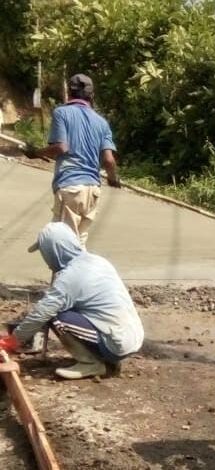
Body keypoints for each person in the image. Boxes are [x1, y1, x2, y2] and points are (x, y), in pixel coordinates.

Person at [0, 222, 144, 379]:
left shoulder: (70, 277)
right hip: (131, 335)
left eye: (45, 252)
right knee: (63, 309)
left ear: (54, 251)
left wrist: (14, 340)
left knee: (54, 315)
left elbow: (42, 312)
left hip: (116, 343)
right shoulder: (97, 261)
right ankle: (107, 359)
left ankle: (91, 364)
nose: (46, 259)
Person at [23, 73, 120, 248]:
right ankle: (48, 244)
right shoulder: (102, 123)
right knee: (78, 241)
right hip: (92, 191)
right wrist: (113, 179)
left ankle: (51, 253)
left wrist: (36, 152)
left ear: (69, 93)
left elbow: (61, 148)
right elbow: (109, 160)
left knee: (63, 245)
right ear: (92, 96)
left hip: (71, 187)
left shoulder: (62, 113)